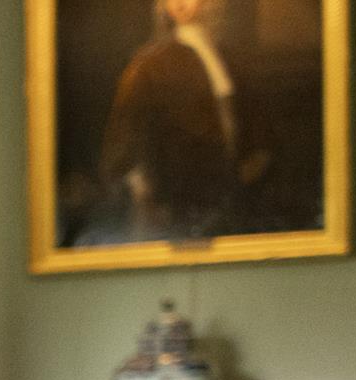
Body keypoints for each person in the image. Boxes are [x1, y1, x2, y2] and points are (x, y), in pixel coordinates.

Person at [99, 0, 270, 240]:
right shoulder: (149, 64)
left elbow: (253, 124)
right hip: (176, 200)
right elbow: (126, 137)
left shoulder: (228, 59)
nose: (179, 3)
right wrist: (143, 187)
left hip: (231, 196)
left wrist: (254, 161)